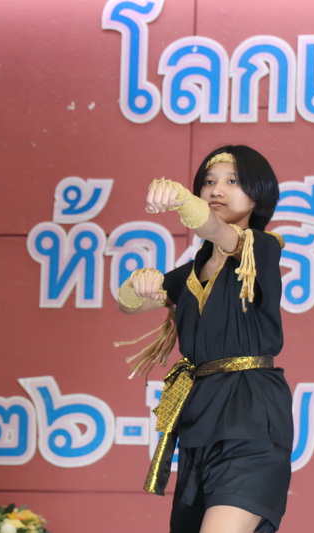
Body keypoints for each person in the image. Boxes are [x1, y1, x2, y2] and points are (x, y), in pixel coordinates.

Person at [116, 145, 294, 533]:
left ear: (257, 195)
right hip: (200, 423)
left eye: (232, 181)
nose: (216, 190)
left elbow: (214, 230)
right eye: (209, 182)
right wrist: (139, 283)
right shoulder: (191, 272)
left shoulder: (260, 247)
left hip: (250, 420)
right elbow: (129, 306)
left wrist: (181, 200)